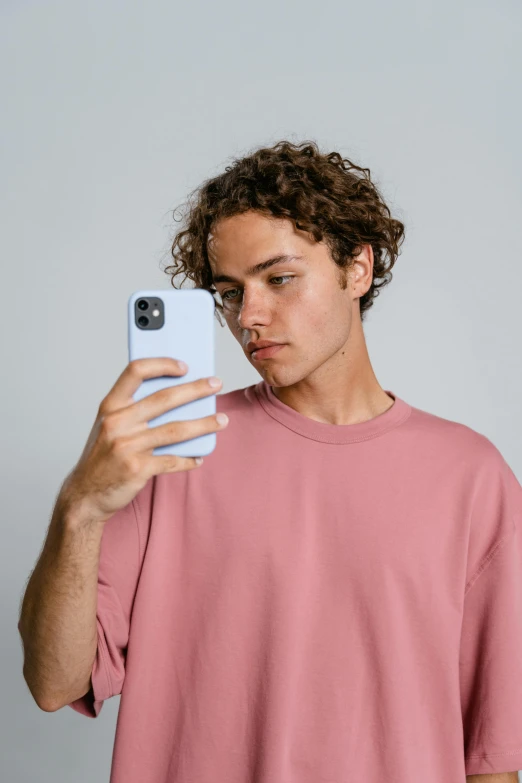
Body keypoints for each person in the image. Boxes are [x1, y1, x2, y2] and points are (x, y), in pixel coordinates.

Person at [17, 140, 522, 783]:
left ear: (357, 268)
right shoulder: (172, 452)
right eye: (229, 292)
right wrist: (80, 506)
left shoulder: (471, 477)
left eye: (278, 278)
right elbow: (54, 682)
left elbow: (493, 755)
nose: (248, 317)